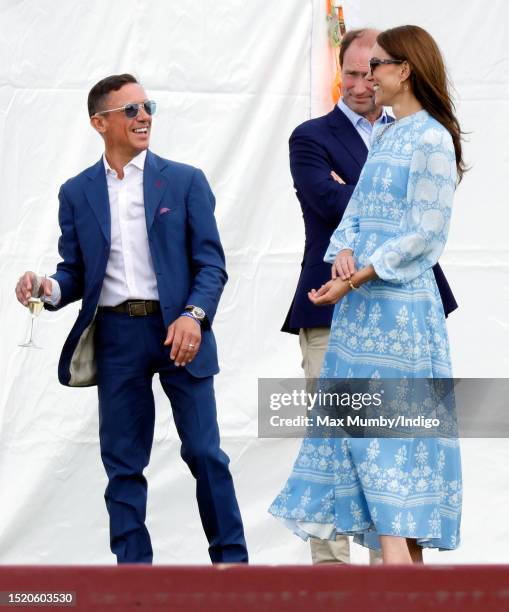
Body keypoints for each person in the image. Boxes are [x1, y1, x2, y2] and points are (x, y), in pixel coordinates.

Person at [15, 74, 248, 565]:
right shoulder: (76, 192)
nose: (144, 117)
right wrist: (47, 287)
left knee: (205, 453)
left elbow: (211, 265)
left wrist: (194, 316)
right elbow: (75, 271)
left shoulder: (184, 180)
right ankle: (133, 579)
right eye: (131, 110)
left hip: (181, 331)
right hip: (117, 336)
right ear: (99, 123)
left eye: (148, 107)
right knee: (123, 465)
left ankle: (233, 568)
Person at [270, 25, 463, 564]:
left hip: (400, 317)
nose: (366, 76)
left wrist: (359, 272)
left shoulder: (431, 138)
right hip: (358, 316)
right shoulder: (385, 135)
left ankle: (398, 571)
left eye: (375, 66)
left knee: (391, 446)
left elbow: (426, 232)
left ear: (404, 70)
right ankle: (391, 578)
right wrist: (347, 253)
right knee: (355, 442)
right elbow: (350, 213)